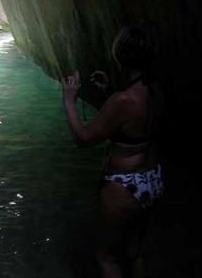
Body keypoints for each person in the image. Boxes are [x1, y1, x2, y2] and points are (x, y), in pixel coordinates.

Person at [61, 26, 164, 278]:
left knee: (107, 257)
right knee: (135, 252)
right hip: (152, 178)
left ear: (121, 56)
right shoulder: (157, 89)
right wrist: (108, 93)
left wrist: (69, 100)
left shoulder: (123, 101)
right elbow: (133, 125)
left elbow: (83, 138)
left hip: (124, 185)